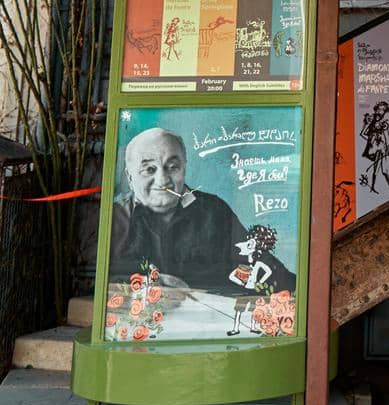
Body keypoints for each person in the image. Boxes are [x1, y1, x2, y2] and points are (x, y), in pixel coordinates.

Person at [109, 126, 295, 293]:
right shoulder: (115, 218)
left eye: (172, 167)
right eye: (149, 169)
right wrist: (142, 284)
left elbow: (264, 265)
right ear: (130, 176)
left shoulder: (214, 212)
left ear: (184, 168)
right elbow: (91, 284)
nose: (163, 180)